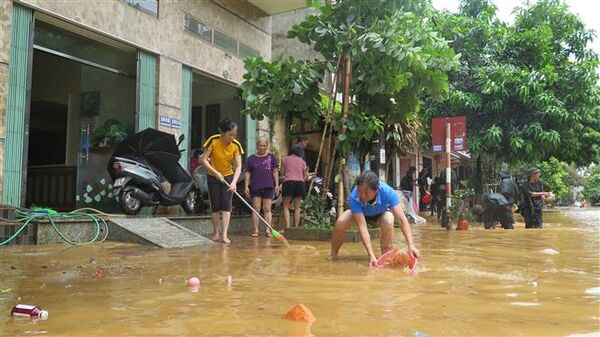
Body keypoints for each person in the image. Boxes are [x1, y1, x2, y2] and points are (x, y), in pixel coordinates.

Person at [330, 170, 420, 266]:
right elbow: (362, 226)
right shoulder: (354, 197)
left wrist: (411, 245)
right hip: (361, 215)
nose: (362, 196)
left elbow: (402, 220)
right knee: (340, 222)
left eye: (366, 192)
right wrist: (370, 254)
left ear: (376, 191)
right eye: (360, 191)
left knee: (388, 219)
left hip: (380, 215)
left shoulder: (388, 192)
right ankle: (333, 255)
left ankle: (386, 257)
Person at [199, 118, 244, 244]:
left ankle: (224, 234)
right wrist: (215, 172)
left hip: (228, 176)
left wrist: (234, 182)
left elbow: (239, 166)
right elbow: (203, 160)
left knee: (226, 204)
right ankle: (216, 233)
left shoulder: (236, 145)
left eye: (234, 135)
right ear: (223, 132)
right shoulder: (213, 140)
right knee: (216, 206)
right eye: (230, 135)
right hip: (213, 176)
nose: (232, 138)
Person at [244, 137, 279, 237]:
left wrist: (276, 184)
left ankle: (268, 229)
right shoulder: (251, 159)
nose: (262, 147)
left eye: (264, 145)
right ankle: (255, 230)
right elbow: (247, 173)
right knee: (256, 208)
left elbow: (275, 171)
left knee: (267, 208)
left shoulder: (271, 157)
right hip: (256, 186)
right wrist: (246, 186)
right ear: (257, 146)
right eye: (260, 145)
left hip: (269, 186)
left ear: (267, 146)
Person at [281, 145, 308, 229]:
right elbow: (305, 177)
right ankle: (296, 227)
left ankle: (288, 227)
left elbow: (282, 173)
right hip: (300, 184)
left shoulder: (285, 159)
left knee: (286, 206)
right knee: (297, 207)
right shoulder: (302, 162)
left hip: (288, 183)